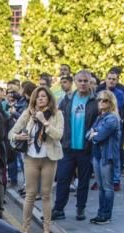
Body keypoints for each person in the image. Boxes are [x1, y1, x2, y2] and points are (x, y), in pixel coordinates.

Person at [53, 70, 98, 221]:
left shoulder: (95, 100)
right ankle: (59, 209)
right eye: (80, 81)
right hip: (67, 146)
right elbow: (58, 118)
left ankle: (80, 209)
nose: (83, 84)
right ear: (75, 82)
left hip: (85, 148)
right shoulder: (67, 99)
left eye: (86, 81)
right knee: (63, 178)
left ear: (90, 82)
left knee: (83, 181)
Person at [88, 90, 122, 224]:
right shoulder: (99, 117)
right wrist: (94, 134)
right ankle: (101, 213)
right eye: (99, 100)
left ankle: (106, 215)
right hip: (97, 156)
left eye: (105, 100)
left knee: (107, 187)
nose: (101, 102)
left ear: (111, 102)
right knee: (101, 187)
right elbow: (88, 134)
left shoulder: (112, 118)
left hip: (106, 157)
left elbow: (99, 136)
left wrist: (94, 134)